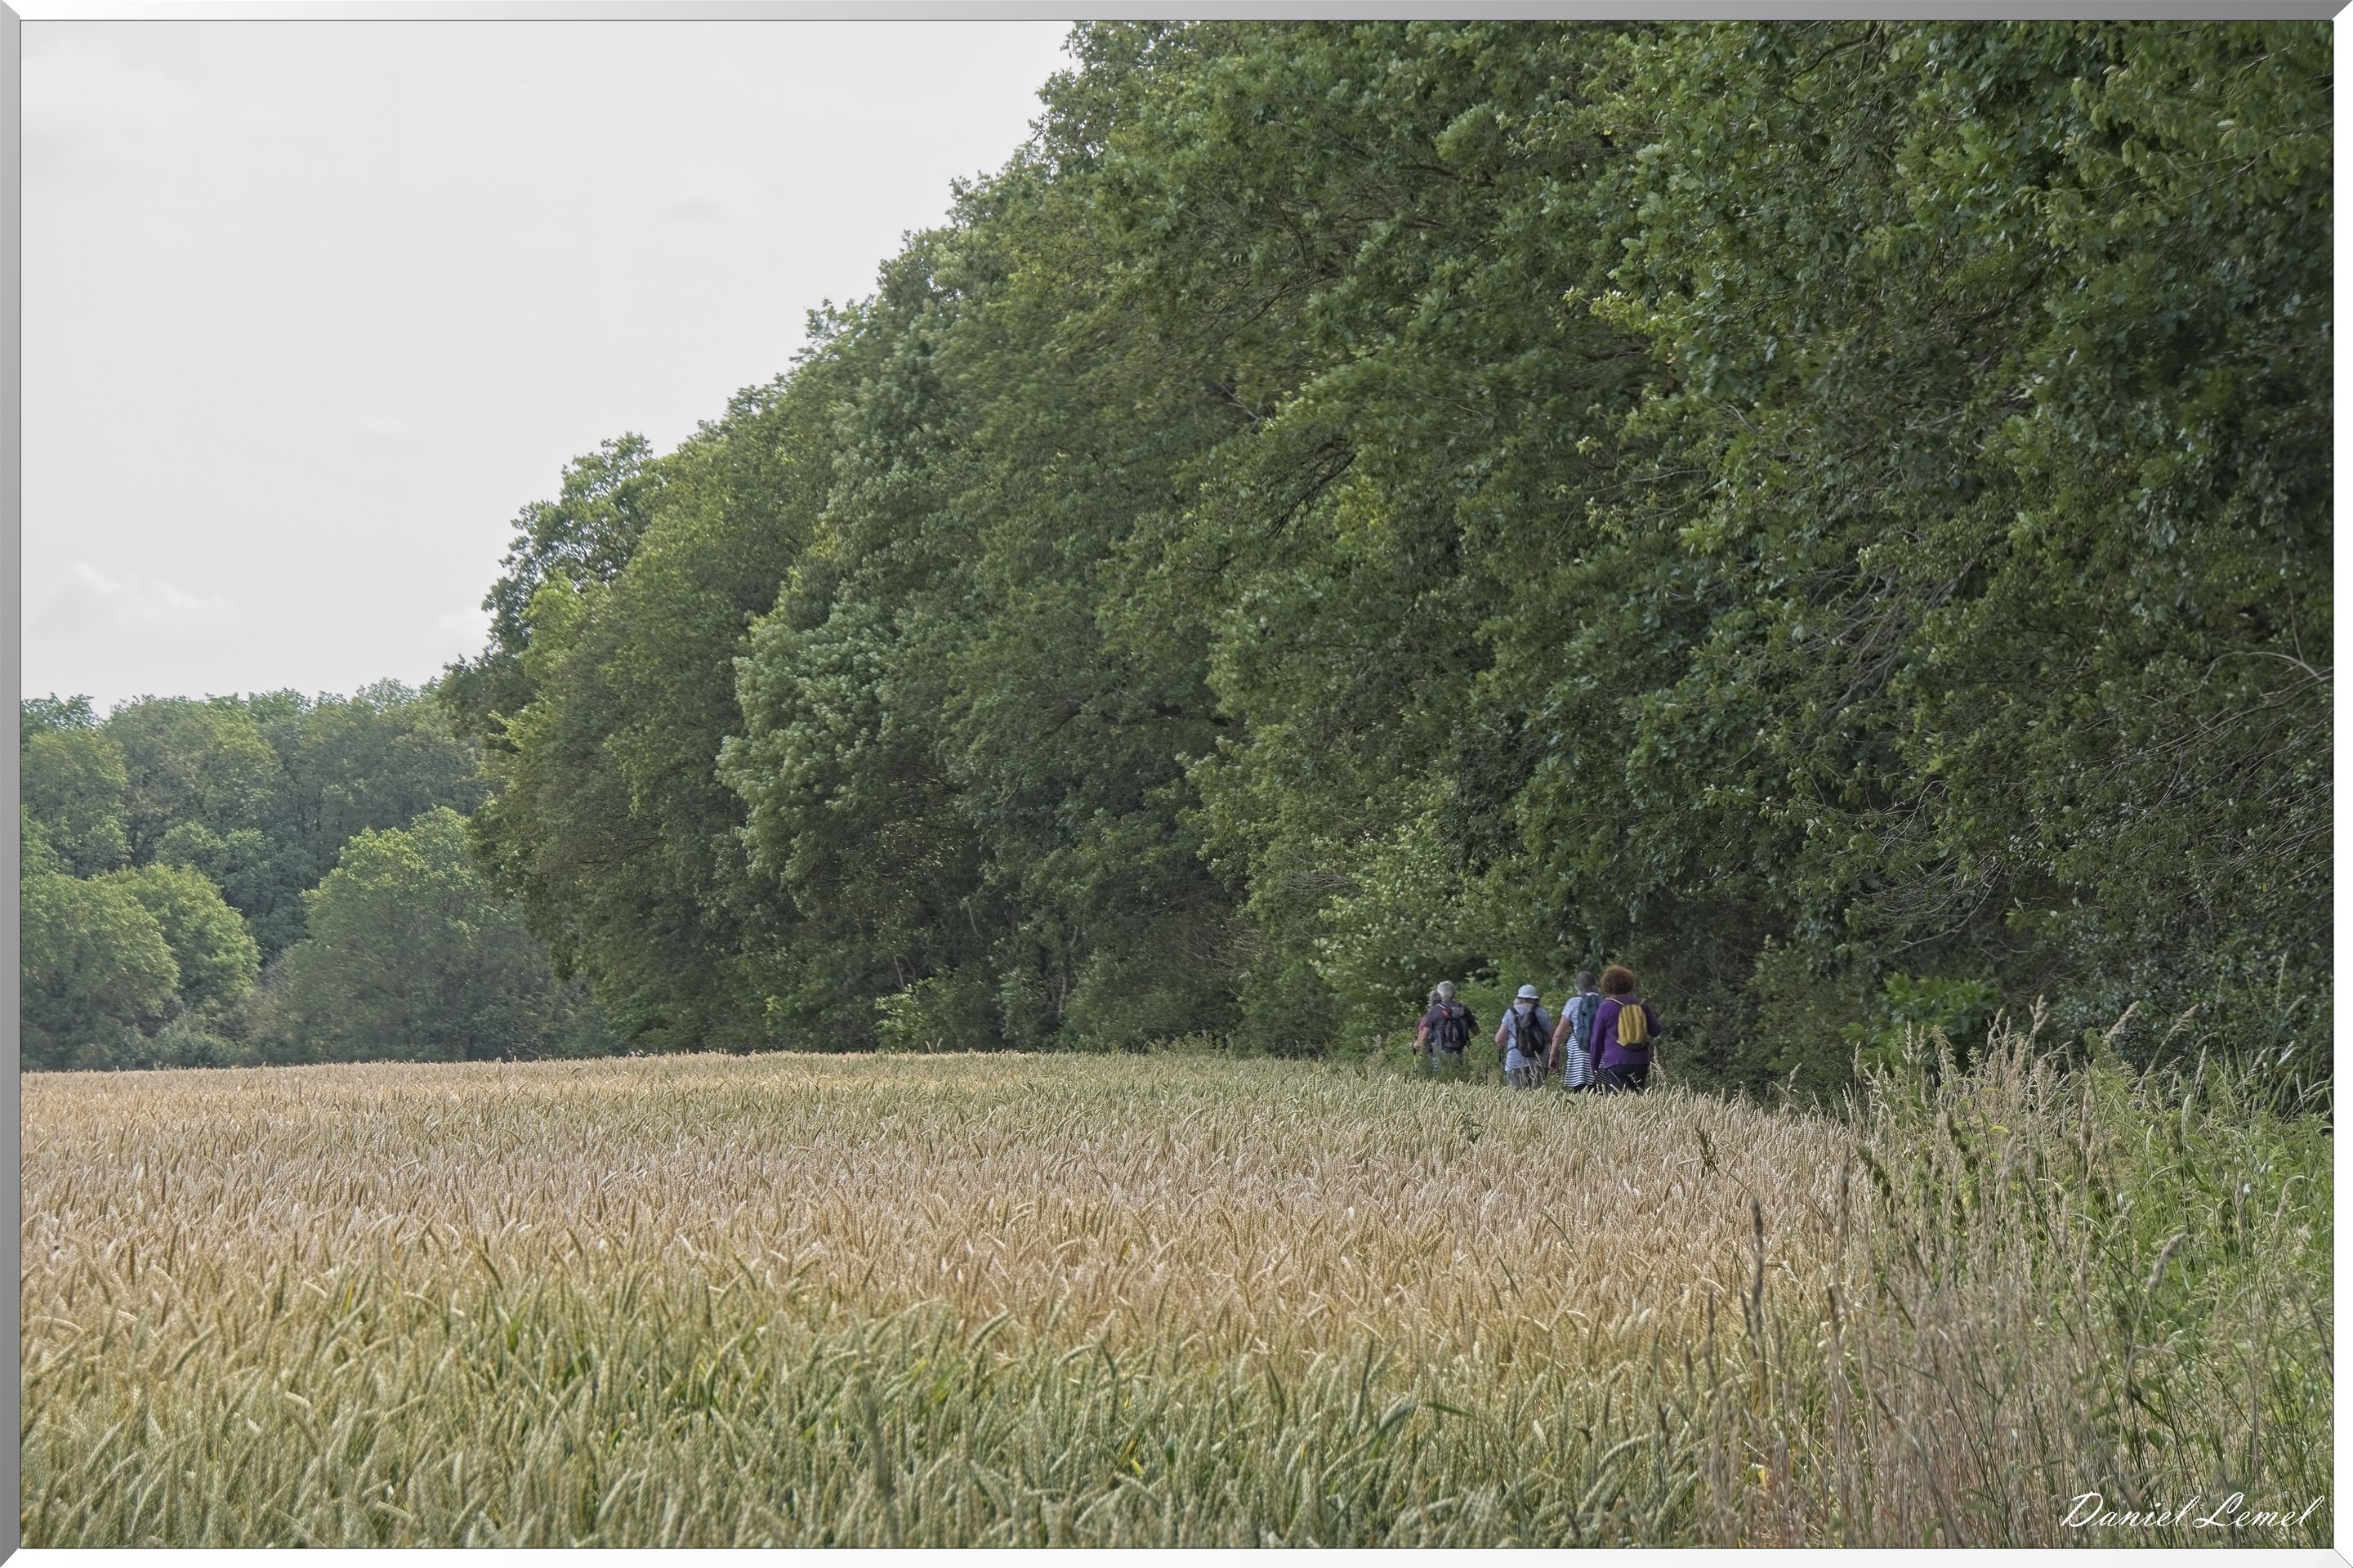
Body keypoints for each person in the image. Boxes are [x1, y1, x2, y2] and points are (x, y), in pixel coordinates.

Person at [1587, 965, 1663, 1092]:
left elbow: (1597, 1040)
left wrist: (1594, 1066)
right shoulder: (1641, 1004)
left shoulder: (1606, 1006)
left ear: (1607, 985)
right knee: (1637, 1101)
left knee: (1618, 1105)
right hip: (1640, 1062)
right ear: (1629, 983)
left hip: (1615, 1061)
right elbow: (1655, 1030)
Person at [1496, 984, 1554, 1089]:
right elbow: (1552, 1039)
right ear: (1536, 999)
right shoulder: (1542, 1013)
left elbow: (1499, 1039)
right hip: (1539, 1060)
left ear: (1519, 998)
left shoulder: (1511, 1013)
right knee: (1537, 1098)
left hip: (1515, 1060)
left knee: (1516, 1099)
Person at [1551, 971, 1601, 1092]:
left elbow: (1558, 1033)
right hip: (1601, 1053)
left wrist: (1553, 1055)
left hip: (1579, 1052)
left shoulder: (1573, 1002)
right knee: (1601, 1095)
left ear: (1576, 986)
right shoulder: (1604, 1001)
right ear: (1595, 984)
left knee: (1580, 1094)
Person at [1415, 981, 1476, 1076]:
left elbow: (1424, 1037)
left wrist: (1423, 1058)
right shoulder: (1464, 1009)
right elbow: (1476, 1031)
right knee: (1459, 1082)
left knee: (1440, 1083)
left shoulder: (1435, 1010)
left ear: (1439, 995)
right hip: (1460, 1053)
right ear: (1454, 993)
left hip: (1441, 1055)